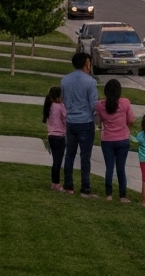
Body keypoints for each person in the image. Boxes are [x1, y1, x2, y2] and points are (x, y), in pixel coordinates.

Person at [60, 52, 100, 197]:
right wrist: (97, 120)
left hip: (70, 121)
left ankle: (68, 186)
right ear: (85, 64)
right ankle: (85, 188)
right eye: (89, 63)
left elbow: (64, 101)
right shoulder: (90, 82)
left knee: (69, 154)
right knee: (85, 156)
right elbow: (94, 105)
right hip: (85, 122)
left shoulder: (65, 80)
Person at [96, 78, 137, 202]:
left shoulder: (100, 105)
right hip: (122, 139)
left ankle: (109, 194)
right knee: (120, 168)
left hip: (107, 140)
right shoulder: (125, 103)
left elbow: (98, 121)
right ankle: (122, 196)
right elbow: (131, 120)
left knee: (109, 168)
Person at [42, 86, 66, 191]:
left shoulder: (49, 106)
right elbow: (66, 118)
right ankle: (56, 183)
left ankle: (54, 182)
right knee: (58, 161)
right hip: (59, 136)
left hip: (51, 136)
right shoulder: (60, 106)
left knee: (55, 160)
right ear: (58, 96)